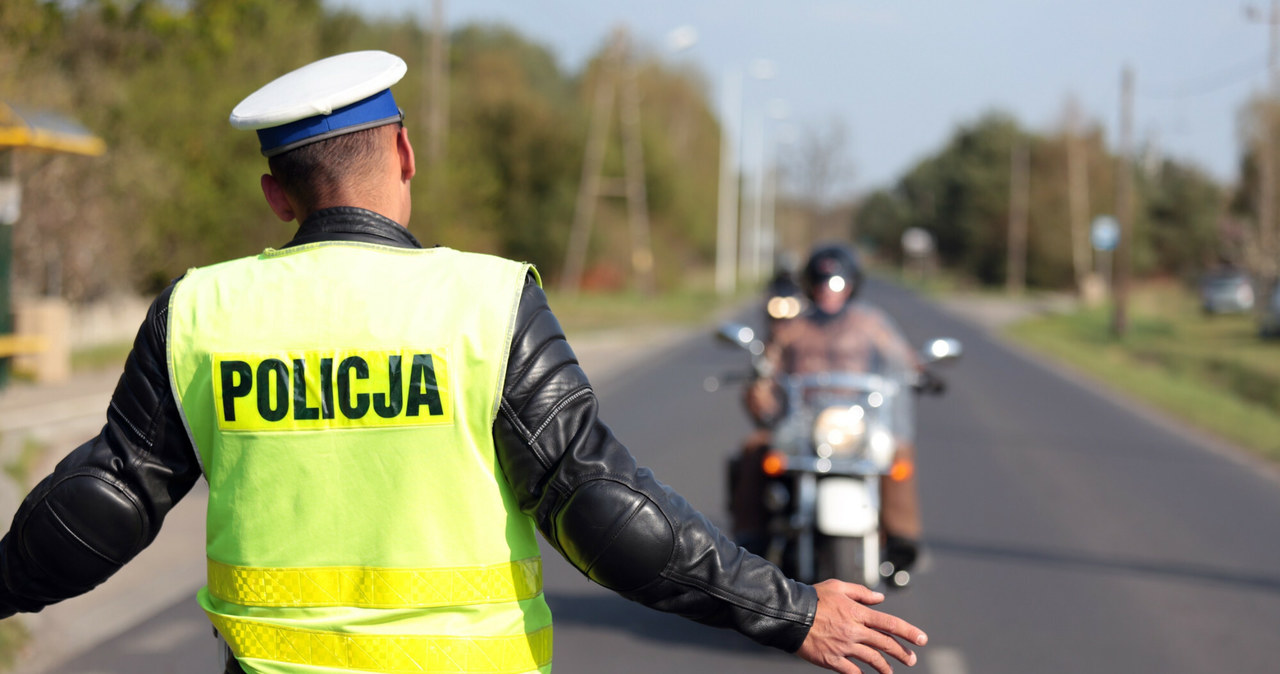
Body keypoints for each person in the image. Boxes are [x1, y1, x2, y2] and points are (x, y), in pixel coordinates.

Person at [0, 52, 927, 674]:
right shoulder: (484, 304)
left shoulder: (203, 309)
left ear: (277, 197)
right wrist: (792, 610)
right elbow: (598, 508)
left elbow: (108, 500)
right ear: (404, 154)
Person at [733, 243, 925, 586]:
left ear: (852, 284)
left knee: (897, 451)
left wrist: (919, 369)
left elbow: (903, 357)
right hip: (802, 424)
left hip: (857, 423)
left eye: (838, 283)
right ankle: (751, 541)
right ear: (809, 285)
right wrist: (760, 384)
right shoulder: (792, 328)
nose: (829, 290)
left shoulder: (871, 323)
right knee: (754, 448)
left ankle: (901, 542)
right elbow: (769, 366)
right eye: (822, 283)